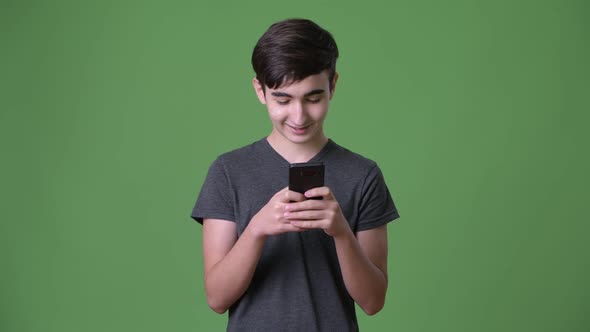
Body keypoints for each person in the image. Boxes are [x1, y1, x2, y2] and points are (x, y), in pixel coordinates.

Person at [191, 18, 400, 331]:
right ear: (260, 90)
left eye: (313, 98)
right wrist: (257, 229)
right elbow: (217, 298)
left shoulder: (363, 174)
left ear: (333, 85)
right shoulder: (228, 171)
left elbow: (373, 301)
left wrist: (341, 231)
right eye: (283, 99)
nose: (299, 116)